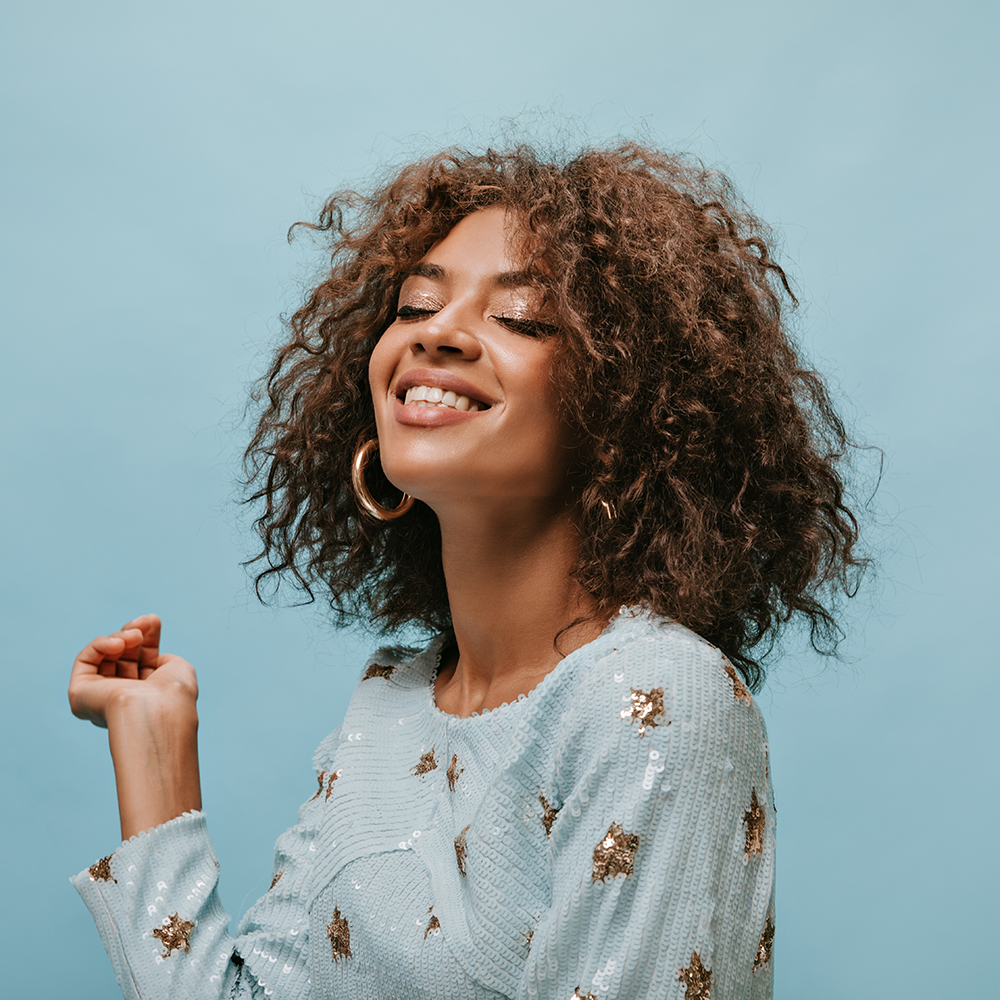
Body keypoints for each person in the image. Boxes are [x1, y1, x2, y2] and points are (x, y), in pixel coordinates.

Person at [68, 142, 864, 999]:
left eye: (520, 317)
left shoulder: (657, 700)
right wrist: (152, 748)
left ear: (628, 405)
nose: (437, 332)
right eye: (415, 304)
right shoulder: (390, 705)